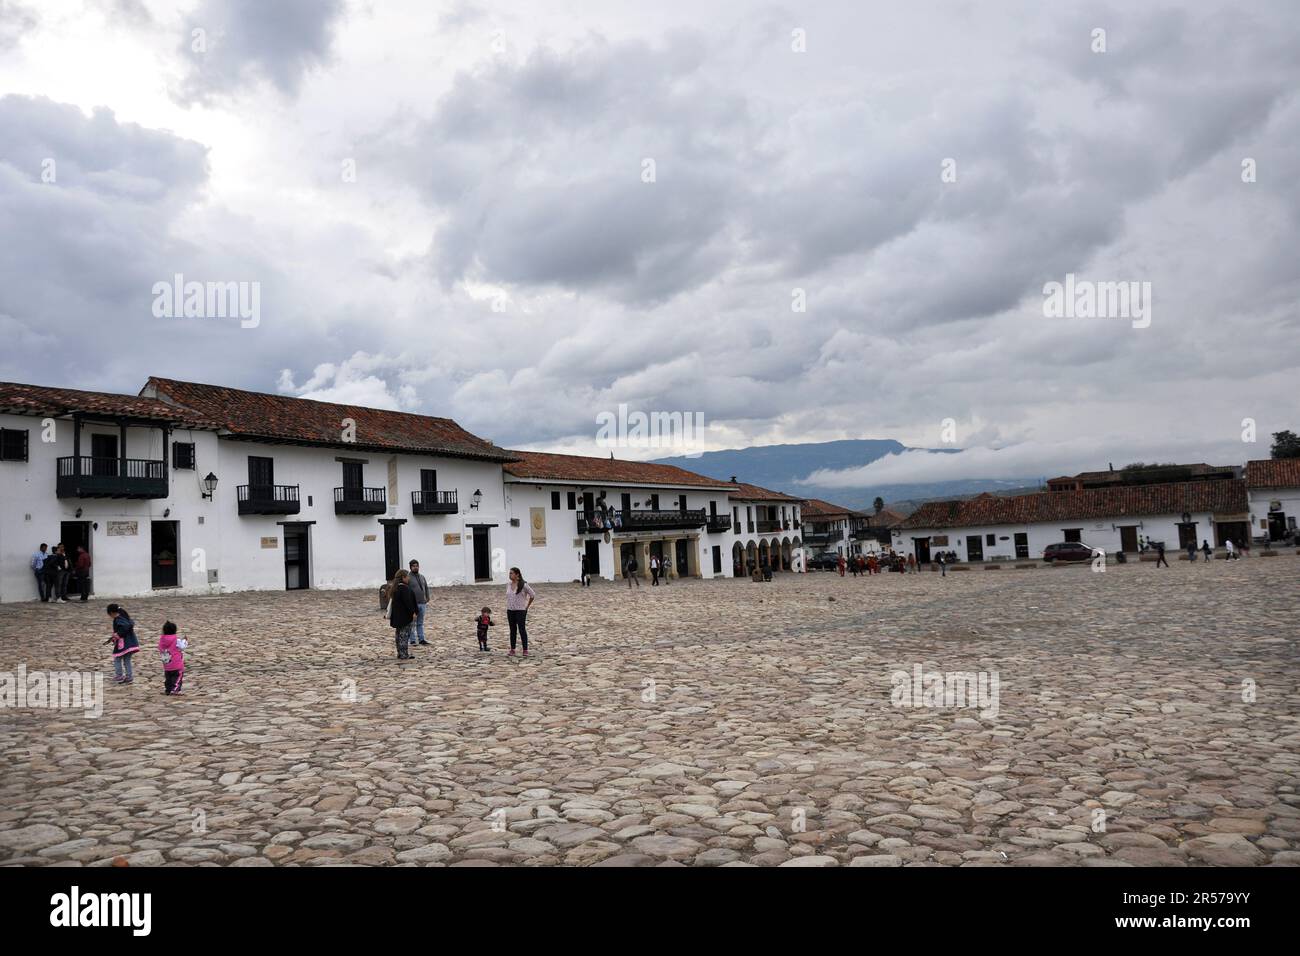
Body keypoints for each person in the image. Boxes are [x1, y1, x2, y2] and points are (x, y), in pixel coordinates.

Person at [105, 603, 140, 684]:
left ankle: (119, 676)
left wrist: (118, 634)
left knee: (117, 659)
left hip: (124, 644)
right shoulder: (125, 617)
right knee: (127, 660)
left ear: (112, 613)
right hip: (131, 642)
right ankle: (129, 677)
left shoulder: (119, 619)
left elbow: (125, 627)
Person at [505, 567, 536, 657]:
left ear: (517, 574)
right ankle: (512, 649)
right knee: (512, 630)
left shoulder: (523, 585)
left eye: (511, 573)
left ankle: (525, 649)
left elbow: (532, 595)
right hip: (510, 610)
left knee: (522, 629)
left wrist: (527, 606)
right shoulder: (508, 584)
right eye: (509, 573)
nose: (510, 575)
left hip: (520, 611)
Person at [387, 569, 417, 660]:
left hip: (397, 617)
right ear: (403, 577)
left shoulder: (395, 588)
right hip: (405, 617)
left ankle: (400, 653)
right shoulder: (404, 589)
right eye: (407, 576)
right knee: (404, 635)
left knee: (399, 635)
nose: (409, 578)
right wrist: (413, 612)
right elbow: (408, 603)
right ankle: (404, 654)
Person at [158, 621, 185, 696]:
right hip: (176, 663)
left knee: (168, 677)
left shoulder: (162, 639)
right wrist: (185, 641)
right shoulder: (176, 639)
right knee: (177, 677)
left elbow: (159, 647)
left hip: (167, 663)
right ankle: (175, 689)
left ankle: (168, 689)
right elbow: (182, 647)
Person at [407, 559, 430, 645]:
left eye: (417, 566)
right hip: (413, 604)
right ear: (410, 567)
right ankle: (412, 640)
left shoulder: (422, 576)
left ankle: (421, 639)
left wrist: (427, 597)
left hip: (422, 603)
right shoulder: (408, 577)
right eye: (414, 566)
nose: (415, 567)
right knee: (412, 623)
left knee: (420, 622)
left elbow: (426, 587)